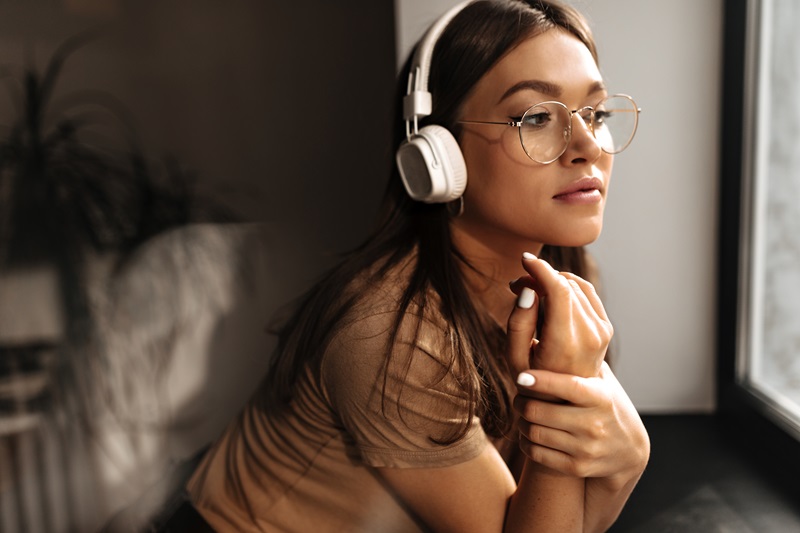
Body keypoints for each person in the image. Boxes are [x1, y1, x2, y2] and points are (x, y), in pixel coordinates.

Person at [180, 0, 650, 531]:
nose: (588, 145)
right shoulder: (389, 336)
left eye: (595, 113)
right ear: (438, 155)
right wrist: (614, 450)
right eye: (537, 117)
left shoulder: (563, 284)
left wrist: (621, 461)